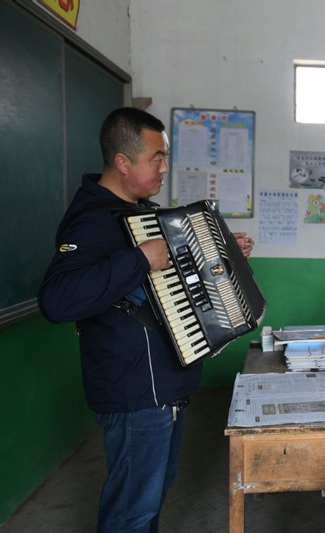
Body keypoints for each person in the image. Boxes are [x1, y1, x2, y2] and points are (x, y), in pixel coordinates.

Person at [38, 107, 254, 533]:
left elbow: (171, 285)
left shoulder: (143, 213)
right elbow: (56, 300)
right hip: (134, 391)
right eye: (156, 157)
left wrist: (222, 255)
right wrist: (138, 258)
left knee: (151, 496)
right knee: (132, 509)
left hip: (165, 386)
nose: (164, 167)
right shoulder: (91, 221)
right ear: (122, 162)